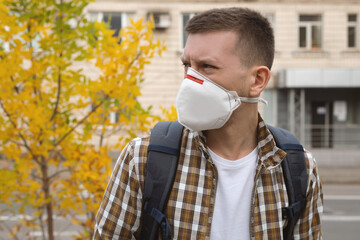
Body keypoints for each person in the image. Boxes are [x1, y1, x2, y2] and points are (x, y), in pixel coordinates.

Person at [93, 7, 323, 239]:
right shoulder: (142, 158)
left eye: (207, 67)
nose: (190, 80)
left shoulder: (298, 167)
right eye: (187, 66)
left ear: (257, 80)